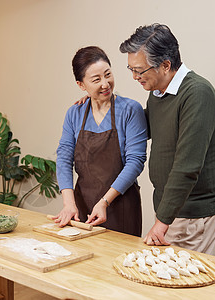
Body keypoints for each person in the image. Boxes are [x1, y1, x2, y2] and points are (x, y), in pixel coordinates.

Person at [119, 24, 215, 254]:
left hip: (190, 213)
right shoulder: (158, 91)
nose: (135, 77)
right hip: (171, 209)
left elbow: (187, 166)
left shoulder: (197, 94)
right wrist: (102, 105)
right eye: (131, 69)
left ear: (166, 65)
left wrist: (162, 222)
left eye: (140, 70)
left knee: (178, 286)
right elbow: (141, 128)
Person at [54, 46, 148, 236]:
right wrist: (69, 204)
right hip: (83, 207)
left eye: (108, 75)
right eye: (96, 80)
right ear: (82, 85)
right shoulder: (75, 113)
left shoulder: (130, 110)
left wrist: (104, 201)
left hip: (121, 206)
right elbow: (64, 158)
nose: (105, 84)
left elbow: (135, 162)